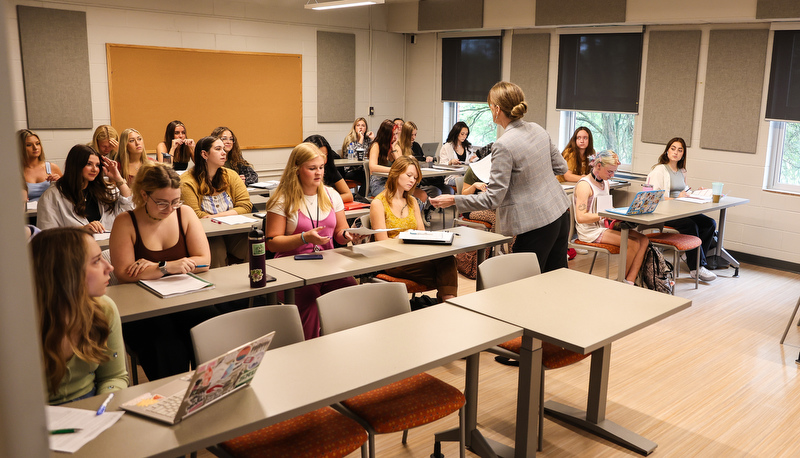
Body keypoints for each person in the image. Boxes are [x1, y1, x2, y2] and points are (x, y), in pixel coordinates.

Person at [431, 81, 571, 274]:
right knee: (555, 278)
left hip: (535, 224)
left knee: (523, 283)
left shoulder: (503, 145)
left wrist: (454, 199)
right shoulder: (537, 128)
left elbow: (494, 198)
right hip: (561, 212)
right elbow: (561, 167)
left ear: (497, 109)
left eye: (490, 107)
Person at [110, 162, 217, 380]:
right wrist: (167, 267)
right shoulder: (125, 222)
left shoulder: (184, 214)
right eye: (161, 203)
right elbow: (123, 273)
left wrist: (150, 269)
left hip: (184, 298)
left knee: (210, 328)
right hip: (144, 307)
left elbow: (204, 261)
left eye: (175, 202)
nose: (169, 209)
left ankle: (210, 389)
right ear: (144, 195)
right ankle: (171, 398)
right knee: (165, 345)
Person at [265, 142, 360, 339]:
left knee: (352, 293)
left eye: (321, 168)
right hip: (291, 270)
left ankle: (345, 344)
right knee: (310, 303)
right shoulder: (282, 198)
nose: (318, 173)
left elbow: (340, 232)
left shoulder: (331, 195)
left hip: (327, 268)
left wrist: (348, 235)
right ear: (297, 170)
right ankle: (308, 351)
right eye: (312, 168)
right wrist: (303, 238)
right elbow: (272, 242)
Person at [31, 227, 128, 405]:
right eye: (96, 261)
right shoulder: (18, 324)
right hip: (35, 416)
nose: (110, 267)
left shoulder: (104, 309)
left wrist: (103, 405)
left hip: (93, 405)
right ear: (66, 273)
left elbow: (114, 377)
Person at [370, 156, 458, 302]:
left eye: (415, 177)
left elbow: (421, 233)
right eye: (409, 175)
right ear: (396, 173)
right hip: (391, 259)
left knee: (447, 259)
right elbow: (381, 243)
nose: (412, 180)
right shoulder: (379, 203)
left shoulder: (412, 201)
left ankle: (446, 301)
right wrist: (400, 239)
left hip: (414, 255)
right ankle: (448, 303)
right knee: (447, 271)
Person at [647, 137, 717, 282]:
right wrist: (677, 198)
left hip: (680, 210)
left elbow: (684, 191)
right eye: (673, 148)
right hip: (665, 212)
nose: (676, 152)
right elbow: (655, 198)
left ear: (683, 154)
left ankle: (690, 254)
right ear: (667, 150)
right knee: (691, 225)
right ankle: (696, 268)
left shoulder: (681, 171)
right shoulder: (659, 170)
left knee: (709, 223)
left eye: (680, 150)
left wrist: (697, 192)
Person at [574, 150, 649, 285]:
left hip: (604, 227)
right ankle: (621, 282)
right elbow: (580, 217)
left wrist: (617, 214)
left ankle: (629, 281)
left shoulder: (605, 183)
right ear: (598, 166)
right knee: (632, 243)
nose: (612, 175)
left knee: (643, 240)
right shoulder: (584, 185)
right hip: (590, 231)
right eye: (610, 172)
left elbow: (605, 209)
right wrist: (605, 215)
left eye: (614, 171)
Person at [181, 136, 252, 266]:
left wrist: (217, 216)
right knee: (217, 251)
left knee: (253, 244)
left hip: (233, 230)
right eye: (218, 149)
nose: (224, 152)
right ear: (204, 154)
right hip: (205, 234)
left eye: (224, 149)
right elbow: (195, 215)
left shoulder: (230, 175)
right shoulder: (187, 181)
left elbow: (245, 205)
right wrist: (226, 215)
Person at [38, 144, 134, 233]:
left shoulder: (105, 189)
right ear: (76, 165)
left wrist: (118, 179)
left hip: (107, 247)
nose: (94, 169)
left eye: (97, 165)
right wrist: (81, 230)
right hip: (75, 249)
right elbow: (46, 235)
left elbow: (129, 209)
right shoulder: (52, 195)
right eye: (89, 164)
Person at [304, 134, 354, 203]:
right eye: (320, 156)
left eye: (325, 156)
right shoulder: (301, 173)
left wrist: (326, 201)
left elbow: (349, 195)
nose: (323, 160)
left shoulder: (329, 168)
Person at [19, 129, 62, 201]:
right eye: (29, 145)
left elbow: (68, 193)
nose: (35, 148)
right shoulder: (17, 172)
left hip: (51, 210)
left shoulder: (52, 167)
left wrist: (60, 182)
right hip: (28, 211)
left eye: (37, 143)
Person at [439, 121, 478, 186]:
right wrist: (450, 162)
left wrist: (471, 161)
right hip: (452, 177)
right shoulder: (447, 147)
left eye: (466, 134)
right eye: (462, 134)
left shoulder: (468, 147)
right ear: (456, 133)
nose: (464, 136)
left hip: (465, 175)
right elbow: (441, 165)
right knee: (466, 182)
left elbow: (468, 165)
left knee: (476, 182)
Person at [341, 117, 372, 197]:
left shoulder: (367, 140)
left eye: (363, 125)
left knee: (372, 176)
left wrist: (373, 140)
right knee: (368, 177)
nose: (360, 127)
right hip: (351, 170)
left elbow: (373, 154)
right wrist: (360, 141)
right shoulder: (349, 139)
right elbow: (355, 158)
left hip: (364, 169)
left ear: (366, 128)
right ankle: (361, 197)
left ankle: (361, 196)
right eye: (358, 125)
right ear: (355, 127)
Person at [367, 119, 399, 197]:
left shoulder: (395, 146)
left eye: (397, 134)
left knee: (412, 197)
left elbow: (401, 164)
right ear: (387, 135)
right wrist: (392, 170)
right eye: (393, 134)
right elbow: (372, 167)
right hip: (379, 183)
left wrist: (394, 149)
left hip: (393, 182)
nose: (395, 137)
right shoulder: (376, 145)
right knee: (396, 196)